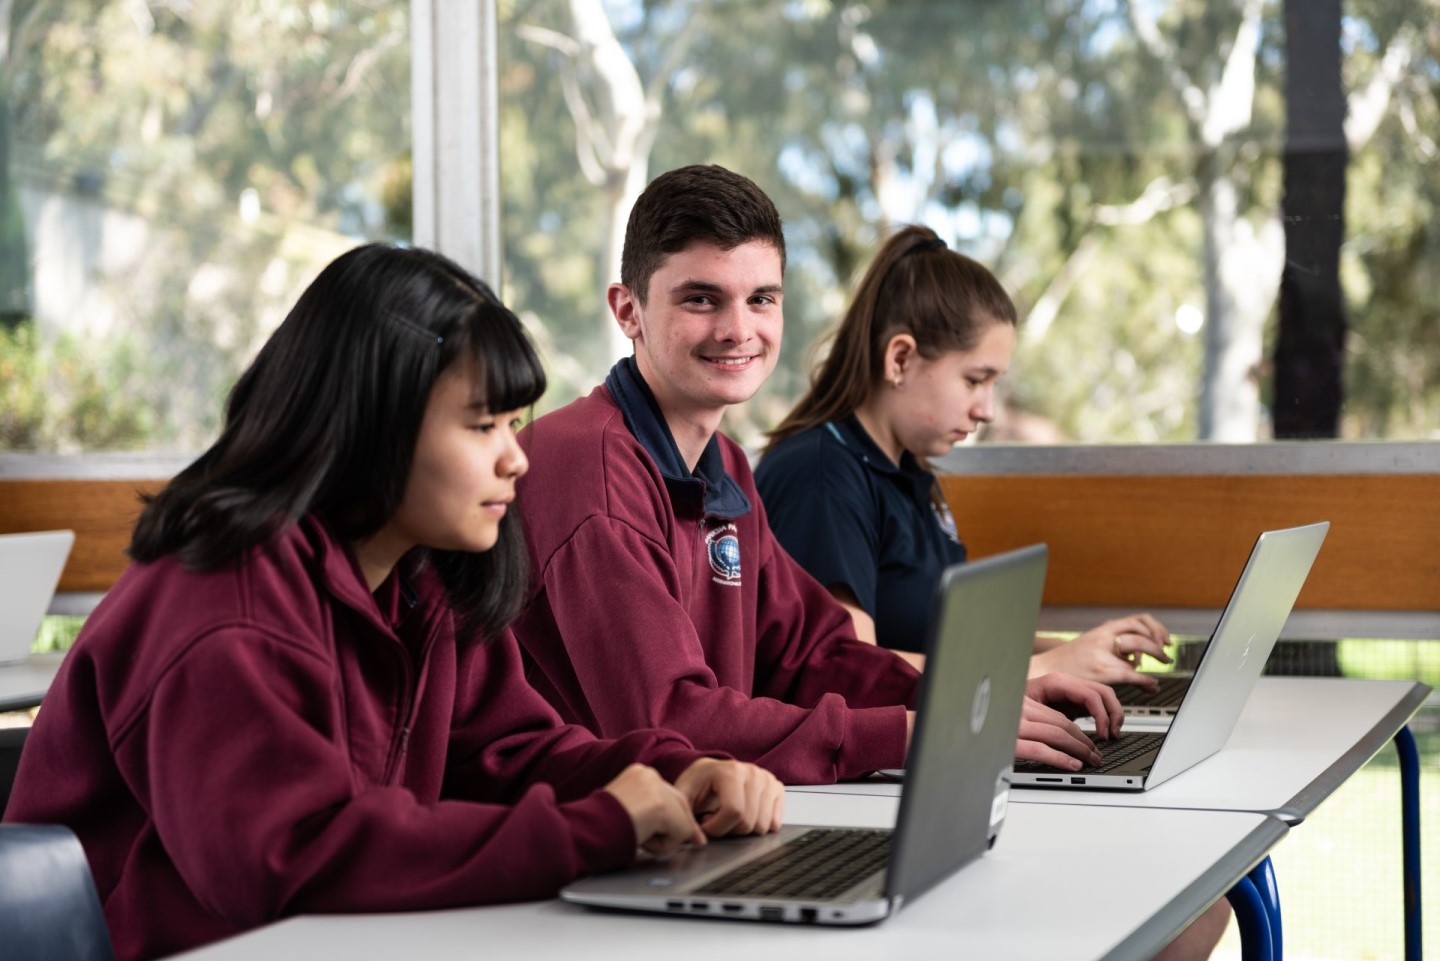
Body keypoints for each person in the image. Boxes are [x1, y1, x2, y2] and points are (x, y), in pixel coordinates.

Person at [3, 244, 783, 961]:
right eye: (483, 426)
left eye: (515, 423)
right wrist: (599, 828)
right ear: (373, 427)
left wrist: (679, 770)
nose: (517, 458)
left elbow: (514, 755)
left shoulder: (423, 577)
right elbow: (291, 856)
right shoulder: (221, 596)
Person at [511, 164, 1123, 787]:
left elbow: (815, 655)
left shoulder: (724, 468)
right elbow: (671, 724)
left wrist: (972, 698)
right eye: (700, 298)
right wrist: (916, 731)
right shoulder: (590, 472)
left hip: (694, 821)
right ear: (628, 310)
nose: (737, 329)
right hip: (577, 846)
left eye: (761, 299)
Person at [756, 224, 1175, 681]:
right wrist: (1041, 670)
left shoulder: (905, 471)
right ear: (900, 360)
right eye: (975, 380)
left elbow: (949, 637)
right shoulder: (821, 478)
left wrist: (1086, 653)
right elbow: (850, 671)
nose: (988, 410)